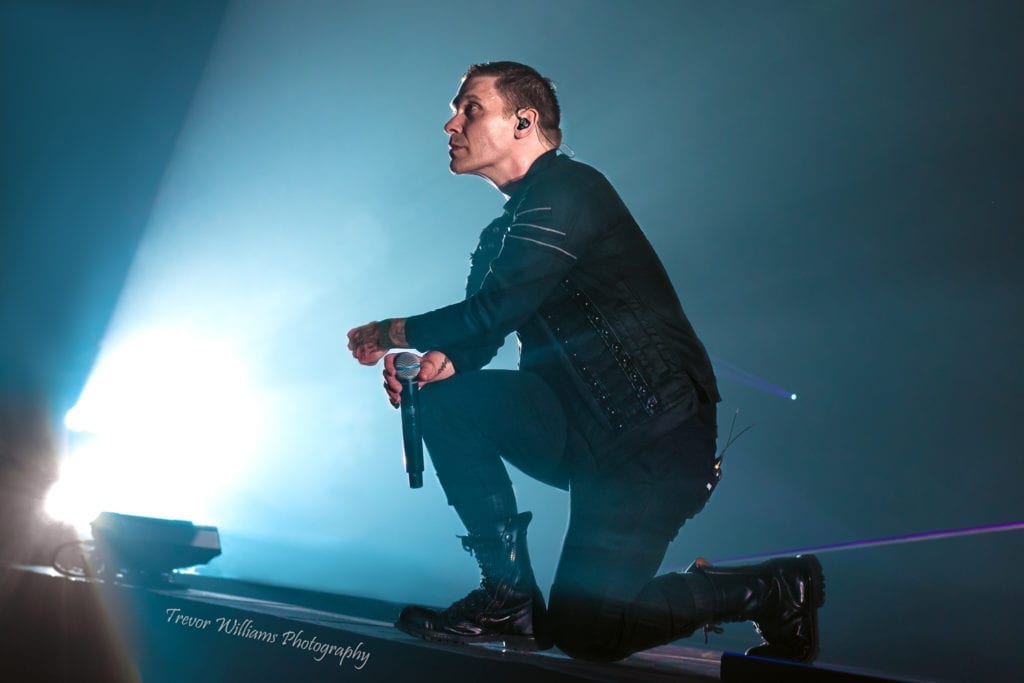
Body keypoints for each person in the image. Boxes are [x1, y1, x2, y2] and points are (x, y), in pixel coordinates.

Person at [347, 61, 824, 663]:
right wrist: (436, 364)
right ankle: (508, 598)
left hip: (655, 438)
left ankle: (774, 590)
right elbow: (481, 336)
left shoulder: (571, 191)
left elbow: (494, 309)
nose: (451, 125)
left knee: (587, 631)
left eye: (470, 109)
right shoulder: (501, 235)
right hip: (576, 428)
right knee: (445, 401)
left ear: (524, 122)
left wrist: (389, 331)